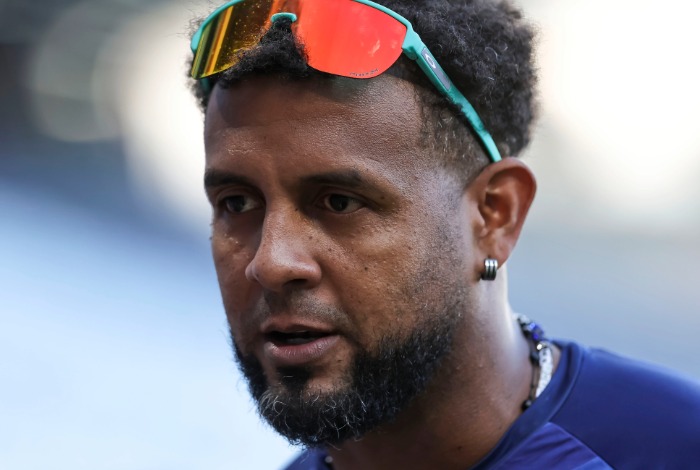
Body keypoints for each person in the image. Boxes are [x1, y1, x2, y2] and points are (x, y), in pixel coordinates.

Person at [187, 0, 700, 468]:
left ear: (495, 216)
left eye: (340, 202)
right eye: (237, 203)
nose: (271, 263)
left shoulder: (672, 446)